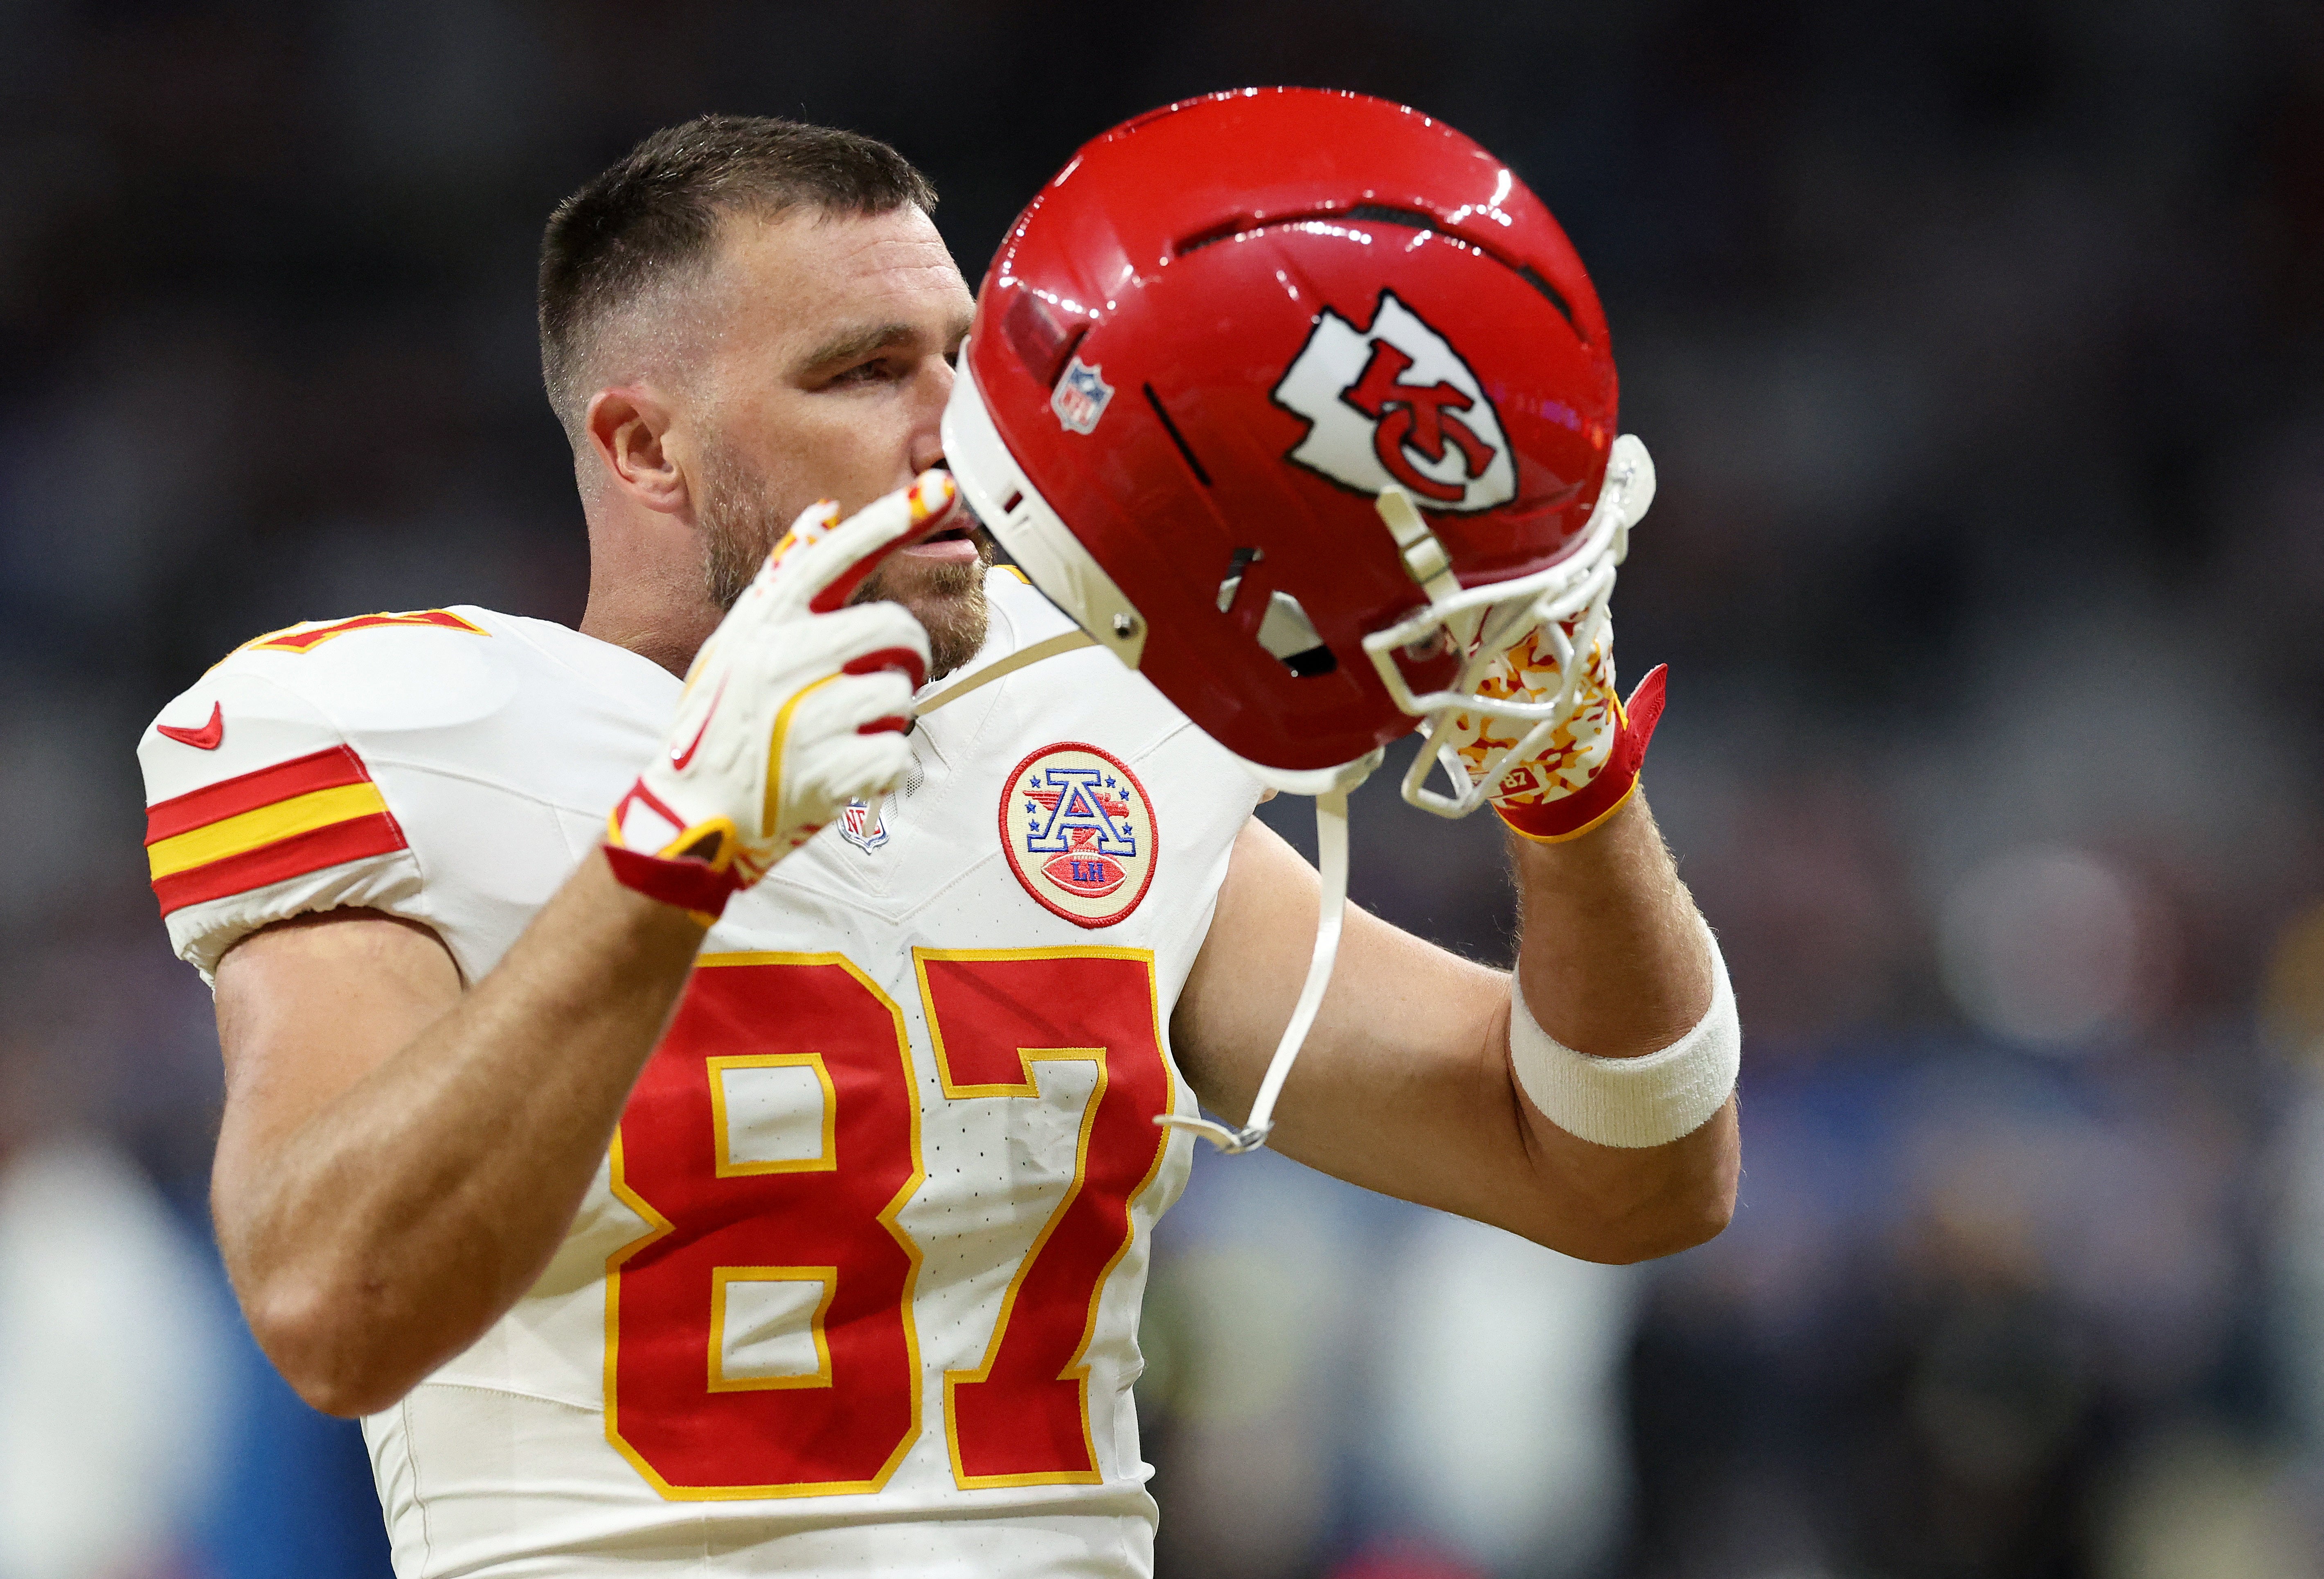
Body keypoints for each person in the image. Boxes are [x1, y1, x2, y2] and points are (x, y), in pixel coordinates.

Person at [137, 114, 1738, 1576]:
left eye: (968, 358)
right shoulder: (408, 729)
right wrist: (674, 852)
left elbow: (1622, 1177)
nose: (958, 430)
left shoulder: (1088, 742)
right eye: (861, 371)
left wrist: (1566, 780)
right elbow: (331, 1310)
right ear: (643, 449)